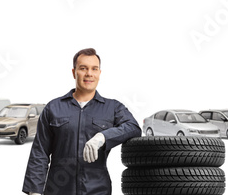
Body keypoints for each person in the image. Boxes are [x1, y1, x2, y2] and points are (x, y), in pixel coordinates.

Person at [22, 48, 141, 195]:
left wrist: (103, 137)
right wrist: (34, 191)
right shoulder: (53, 108)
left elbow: (133, 127)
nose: (89, 73)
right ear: (74, 72)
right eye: (83, 68)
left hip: (97, 189)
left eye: (94, 69)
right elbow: (40, 153)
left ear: (99, 73)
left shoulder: (113, 107)